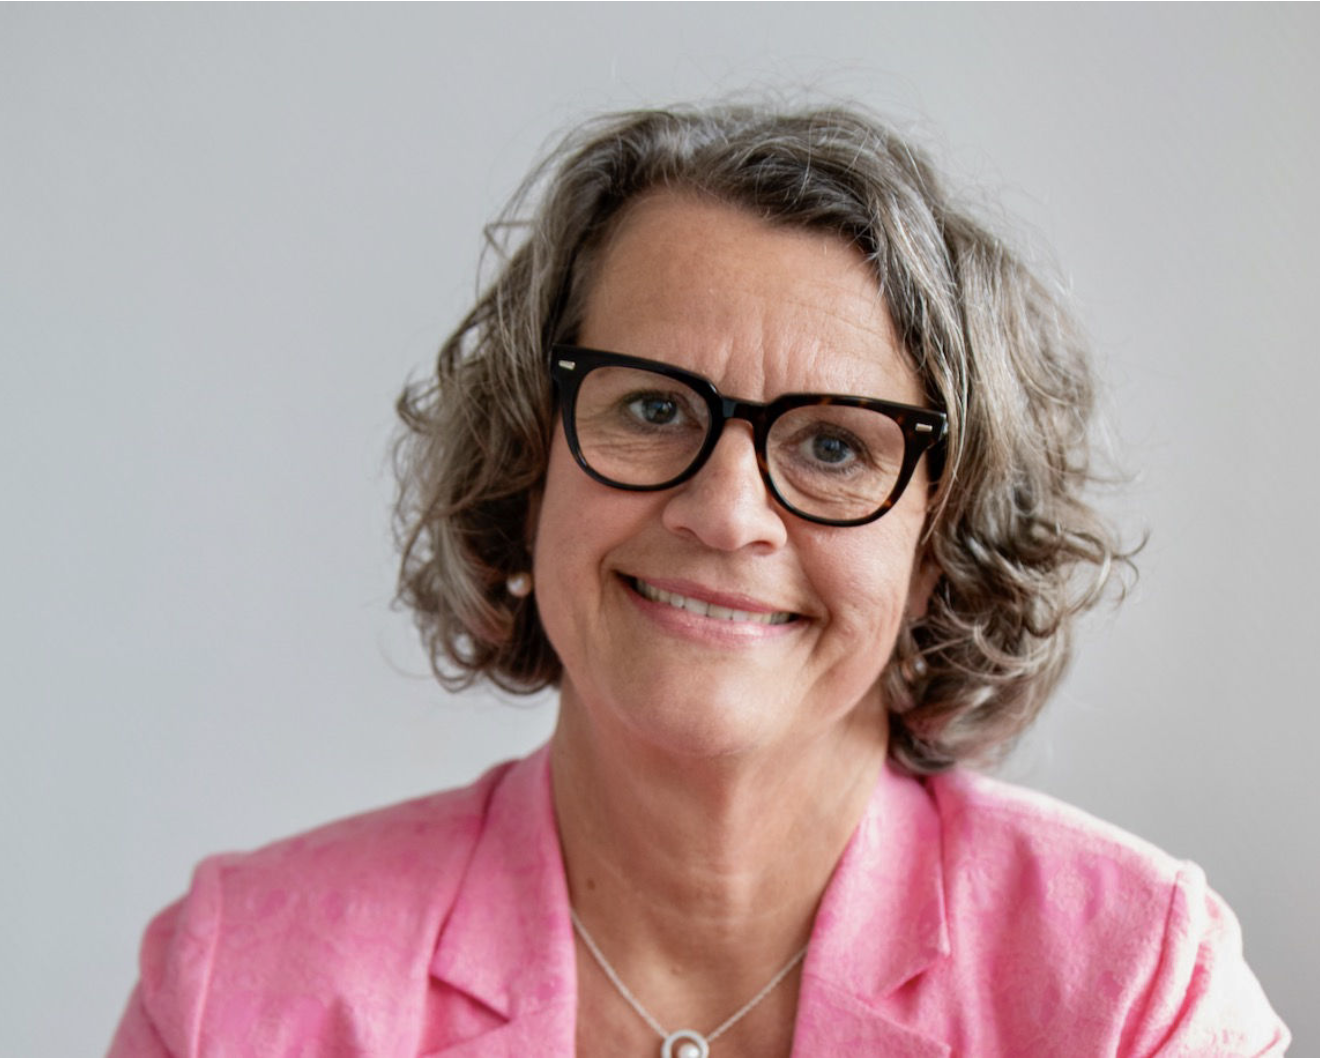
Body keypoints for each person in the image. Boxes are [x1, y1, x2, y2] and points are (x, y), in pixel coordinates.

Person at [109, 102, 1289, 1058]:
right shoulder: (237, 983)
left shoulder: (1133, 988)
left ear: (942, 540)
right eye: (650, 408)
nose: (724, 513)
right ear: (525, 466)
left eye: (832, 444)